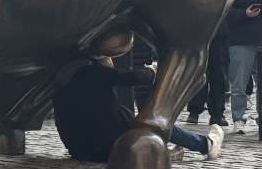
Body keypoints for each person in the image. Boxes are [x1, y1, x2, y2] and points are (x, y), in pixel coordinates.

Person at [52, 57, 224, 163]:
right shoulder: (95, 74)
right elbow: (132, 77)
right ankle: (204, 144)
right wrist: (152, 71)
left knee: (138, 123)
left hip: (78, 150)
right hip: (107, 149)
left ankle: (167, 151)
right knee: (150, 123)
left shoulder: (61, 79)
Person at [227, 0, 262, 134]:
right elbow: (225, 12)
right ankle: (238, 118)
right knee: (239, 82)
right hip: (241, 38)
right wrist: (244, 14)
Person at [186, 20, 230, 126]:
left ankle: (217, 113)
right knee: (198, 74)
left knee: (219, 77)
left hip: (219, 35)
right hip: (199, 33)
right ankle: (194, 110)